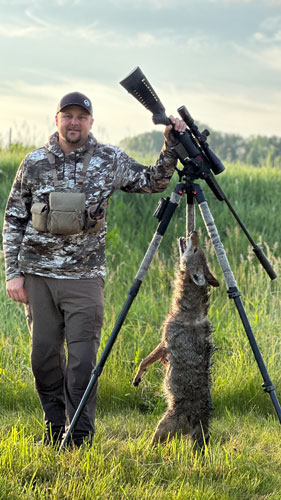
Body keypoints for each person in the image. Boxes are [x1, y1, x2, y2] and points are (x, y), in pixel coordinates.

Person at [3, 91, 186, 447]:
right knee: (43, 359)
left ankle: (80, 436)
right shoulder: (34, 162)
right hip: (38, 276)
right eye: (67, 115)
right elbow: (13, 218)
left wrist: (170, 146)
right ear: (56, 119)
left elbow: (153, 181)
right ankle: (54, 430)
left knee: (82, 362)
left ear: (91, 122)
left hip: (85, 278)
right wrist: (13, 272)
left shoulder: (109, 159)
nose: (74, 122)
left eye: (81, 117)